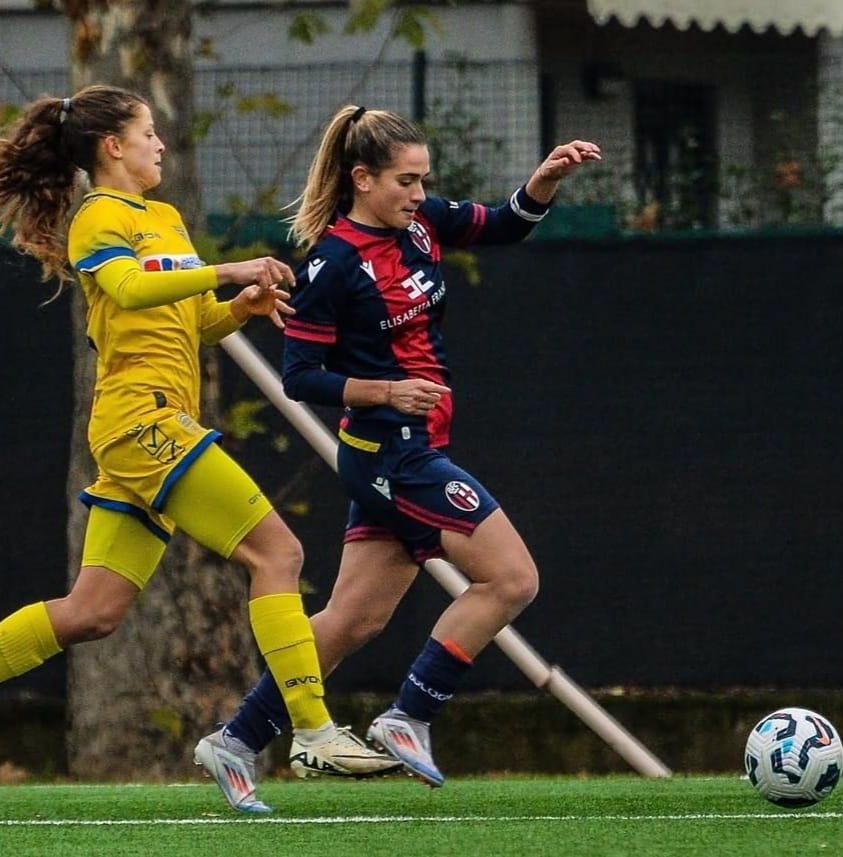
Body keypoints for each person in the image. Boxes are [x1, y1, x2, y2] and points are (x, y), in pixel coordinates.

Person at [0, 85, 399, 789]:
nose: (161, 144)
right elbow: (128, 289)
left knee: (92, 613)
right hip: (139, 420)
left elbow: (183, 323)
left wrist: (236, 308)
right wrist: (228, 270)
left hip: (152, 421)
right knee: (277, 551)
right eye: (150, 132)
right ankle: (311, 729)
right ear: (113, 146)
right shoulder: (97, 217)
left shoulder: (163, 217)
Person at [193, 105, 601, 812]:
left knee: (350, 622)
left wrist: (542, 182)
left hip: (411, 451)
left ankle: (234, 738)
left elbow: (503, 224)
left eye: (423, 180)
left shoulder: (419, 224)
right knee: (511, 578)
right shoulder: (332, 263)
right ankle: (408, 713)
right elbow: (299, 376)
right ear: (362, 179)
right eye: (406, 180)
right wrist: (385, 389)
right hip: (390, 455)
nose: (419, 193)